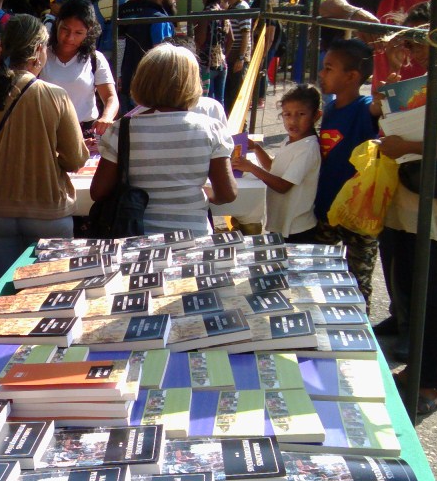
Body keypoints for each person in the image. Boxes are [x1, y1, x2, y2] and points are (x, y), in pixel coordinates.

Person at [0, 14, 89, 288]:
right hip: (48, 212)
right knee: (50, 298)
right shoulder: (55, 96)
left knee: (1, 298)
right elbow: (75, 159)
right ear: (38, 51)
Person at [91, 44, 237, 235]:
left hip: (137, 236)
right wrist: (198, 193)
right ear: (193, 83)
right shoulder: (212, 129)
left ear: (142, 80)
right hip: (193, 237)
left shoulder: (122, 130)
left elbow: (98, 192)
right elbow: (227, 193)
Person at [379, 3, 437, 415]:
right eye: (409, 42)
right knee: (407, 281)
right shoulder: (410, 79)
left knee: (434, 291)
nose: (413, 50)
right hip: (407, 198)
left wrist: (409, 146)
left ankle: (433, 381)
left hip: (434, 206)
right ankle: (416, 361)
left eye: (421, 42)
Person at [314, 38, 380, 305]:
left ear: (352, 76)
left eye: (329, 68)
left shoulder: (365, 108)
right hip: (328, 208)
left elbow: (379, 105)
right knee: (319, 274)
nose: (321, 73)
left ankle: (360, 340)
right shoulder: (329, 109)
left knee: (357, 283)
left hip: (359, 212)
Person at [231, 84, 322, 242]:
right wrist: (257, 148)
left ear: (316, 116)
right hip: (281, 222)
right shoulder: (289, 141)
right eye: (287, 114)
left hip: (296, 227)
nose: (293, 120)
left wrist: (251, 167)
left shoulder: (307, 148)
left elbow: (282, 186)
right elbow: (274, 168)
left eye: (301, 114)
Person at [39, 0, 119, 140]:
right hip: (45, 133)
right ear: (57, 23)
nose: (70, 38)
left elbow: (111, 97)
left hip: (84, 136)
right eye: (65, 30)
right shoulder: (40, 55)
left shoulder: (95, 59)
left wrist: (106, 117)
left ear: (89, 32)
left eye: (78, 33)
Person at [119, 0, 176, 109]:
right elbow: (162, 58)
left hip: (131, 83)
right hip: (150, 89)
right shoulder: (159, 20)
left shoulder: (139, 16)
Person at [194, 0, 231, 107]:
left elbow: (200, 40)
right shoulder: (223, 13)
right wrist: (224, 54)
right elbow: (231, 39)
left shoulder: (206, 14)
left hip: (207, 64)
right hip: (222, 64)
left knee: (207, 102)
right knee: (220, 101)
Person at [222, 0, 252, 112]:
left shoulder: (242, 7)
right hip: (231, 55)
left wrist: (241, 58)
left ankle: (240, 129)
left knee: (235, 95)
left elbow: (246, 33)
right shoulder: (232, 7)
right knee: (229, 93)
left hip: (237, 57)